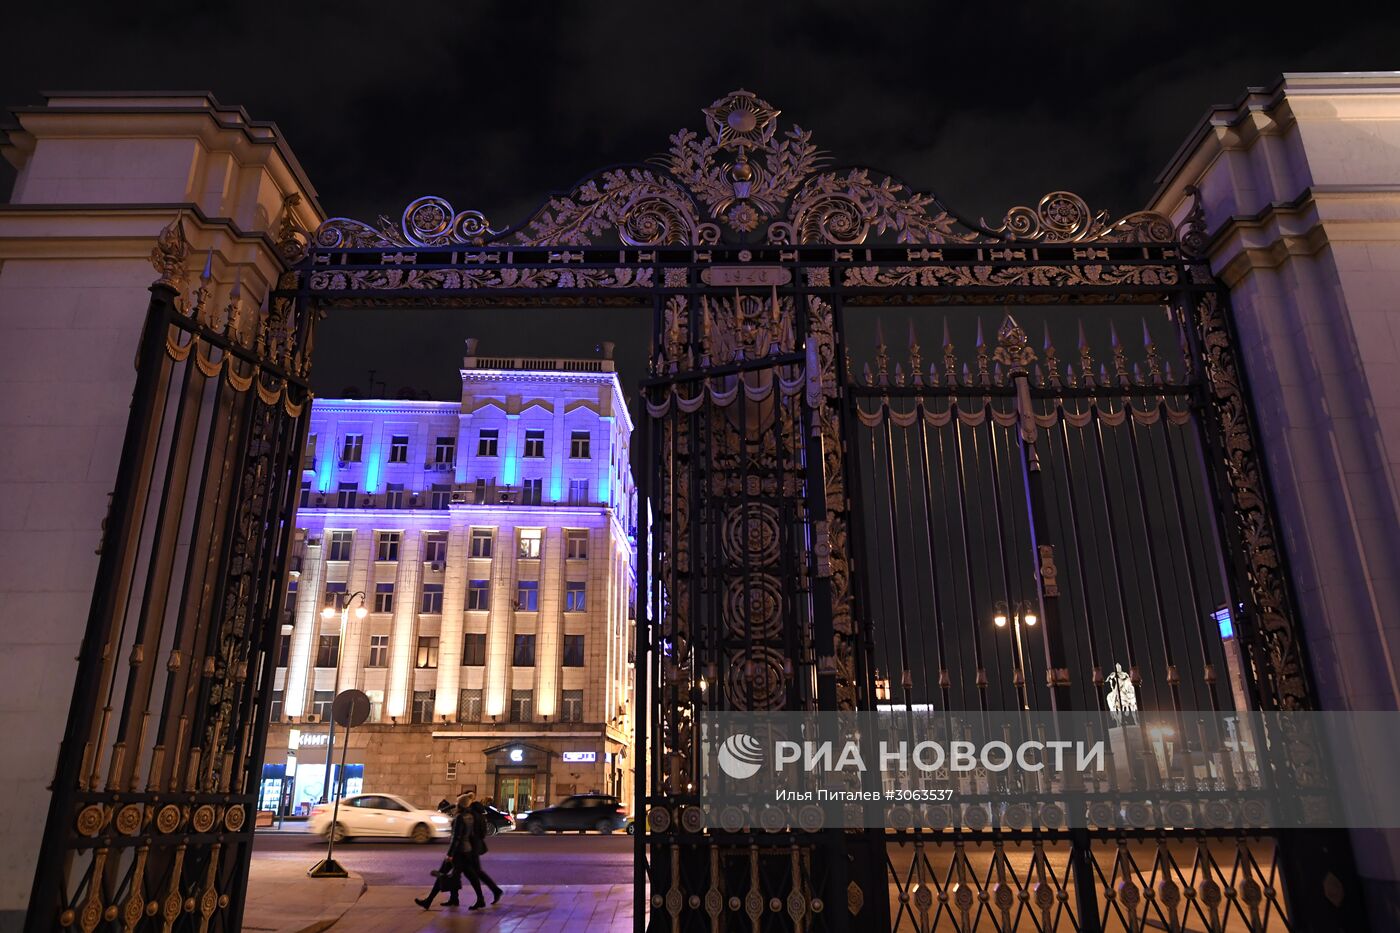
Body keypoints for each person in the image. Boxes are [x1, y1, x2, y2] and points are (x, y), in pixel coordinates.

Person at [449, 792, 503, 909]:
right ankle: (455, 898)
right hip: (474, 846)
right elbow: (482, 832)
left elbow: (465, 832)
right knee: (473, 872)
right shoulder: (479, 813)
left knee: (472, 873)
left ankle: (488, 894)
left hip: (470, 847)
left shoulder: (470, 814)